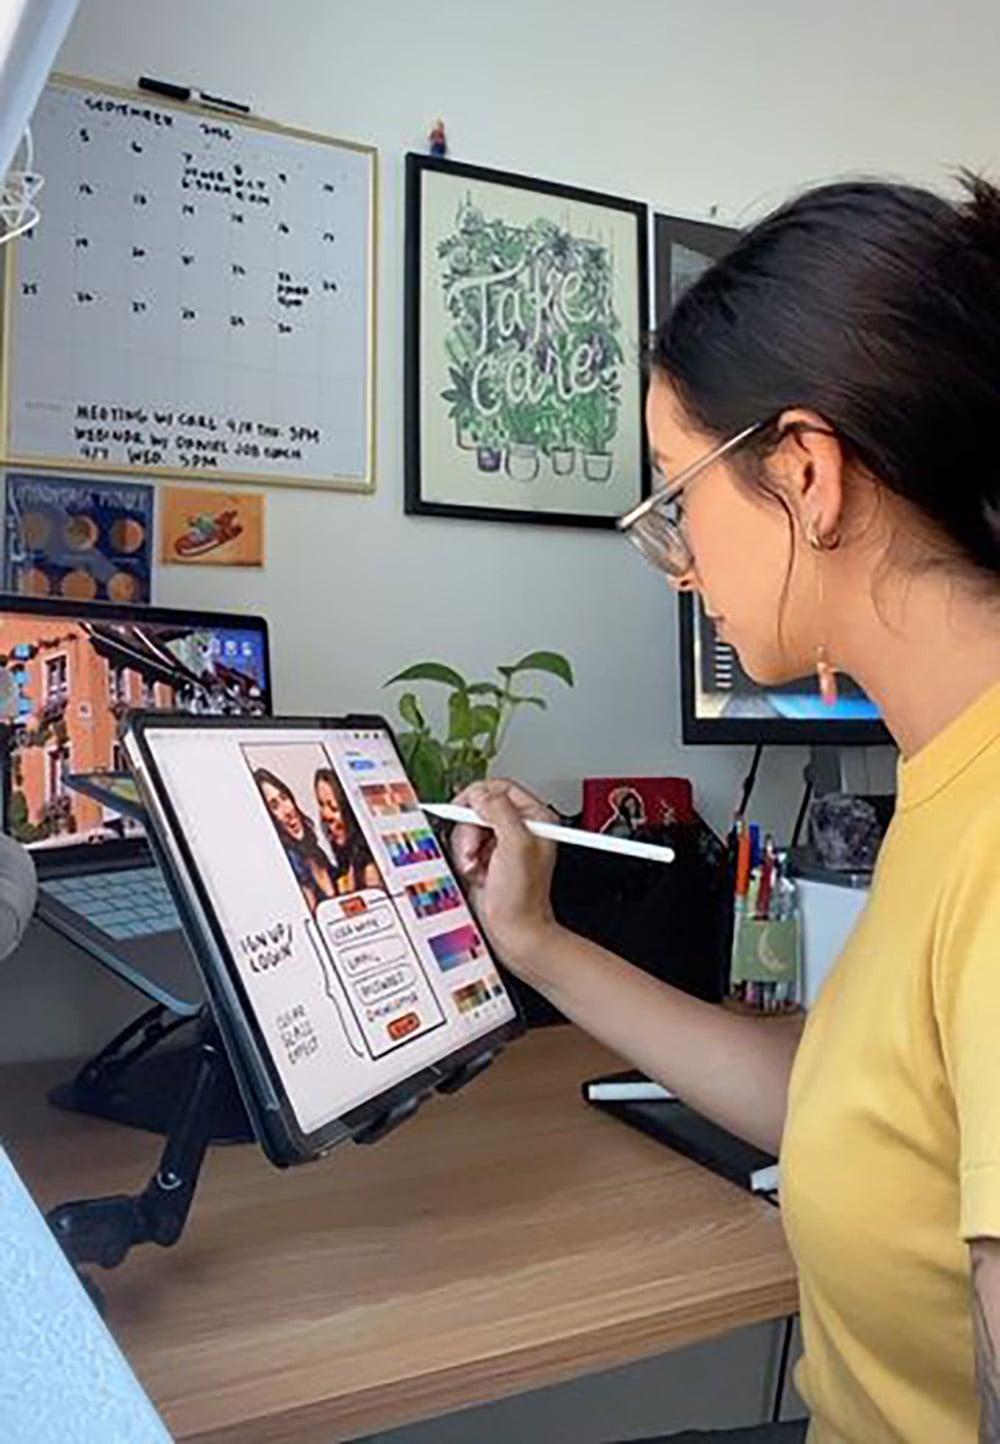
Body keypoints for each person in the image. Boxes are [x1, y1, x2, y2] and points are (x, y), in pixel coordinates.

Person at [450, 175, 1000, 1444]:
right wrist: (535, 939)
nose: (681, 560)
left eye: (676, 495)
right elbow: (847, 1097)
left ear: (804, 474)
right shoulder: (946, 768)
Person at [254, 767, 337, 914]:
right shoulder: (290, 869)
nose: (287, 811)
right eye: (274, 806)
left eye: (284, 798)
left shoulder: (316, 854)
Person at [314, 768, 381, 894]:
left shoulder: (370, 871)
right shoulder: (346, 864)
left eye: (333, 807)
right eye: (321, 805)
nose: (325, 814)